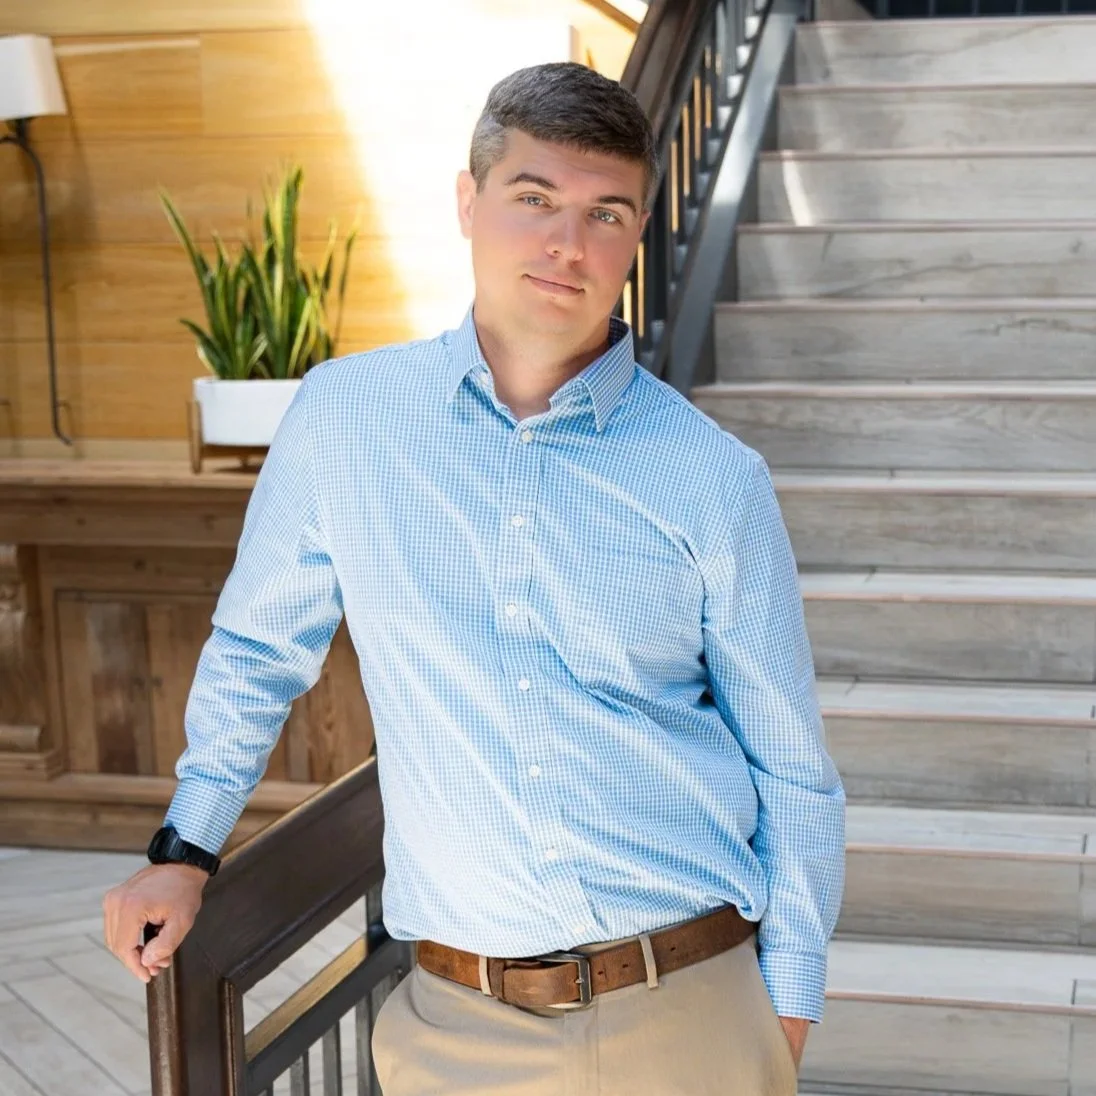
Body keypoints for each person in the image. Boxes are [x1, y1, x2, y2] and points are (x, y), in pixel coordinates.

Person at [103, 61, 845, 1095]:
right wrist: (187, 844)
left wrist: (787, 1006)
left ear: (634, 238)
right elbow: (259, 647)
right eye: (533, 200)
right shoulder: (348, 420)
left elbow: (792, 768)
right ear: (468, 201)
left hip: (691, 1007)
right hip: (453, 1024)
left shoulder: (713, 477)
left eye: (605, 215)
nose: (566, 245)